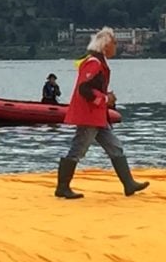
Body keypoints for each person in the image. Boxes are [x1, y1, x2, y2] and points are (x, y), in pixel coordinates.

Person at [54, 27, 149, 199]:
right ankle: (62, 187)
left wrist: (104, 99)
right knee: (78, 149)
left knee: (115, 147)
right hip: (90, 115)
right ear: (105, 46)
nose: (116, 46)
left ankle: (129, 184)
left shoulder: (96, 62)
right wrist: (105, 99)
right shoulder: (94, 63)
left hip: (97, 115)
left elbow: (88, 88)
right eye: (114, 43)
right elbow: (85, 89)